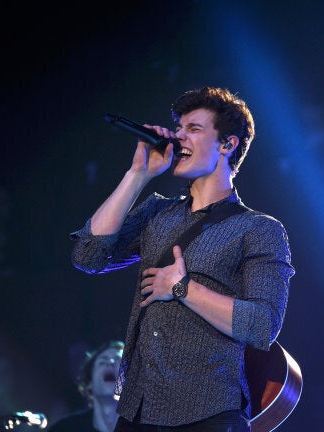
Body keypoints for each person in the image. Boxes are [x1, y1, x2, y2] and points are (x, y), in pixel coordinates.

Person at [69, 86, 295, 432]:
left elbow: (262, 325)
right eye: (178, 128)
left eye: (194, 129)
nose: (178, 136)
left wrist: (181, 288)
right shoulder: (157, 211)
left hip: (208, 411)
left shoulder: (259, 229)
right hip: (137, 408)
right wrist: (138, 175)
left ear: (227, 144)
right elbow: (88, 255)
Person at [48, 340, 124, 432]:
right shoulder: (62, 429)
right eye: (102, 362)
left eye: (118, 360)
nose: (110, 362)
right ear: (89, 384)